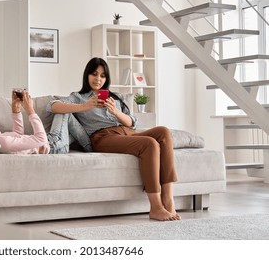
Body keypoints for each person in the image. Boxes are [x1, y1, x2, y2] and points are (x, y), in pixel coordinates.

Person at [48, 57, 180, 221]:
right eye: (94, 74)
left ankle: (168, 200)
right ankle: (156, 207)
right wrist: (86, 106)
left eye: (103, 76)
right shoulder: (78, 97)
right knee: (150, 144)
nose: (98, 79)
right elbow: (52, 106)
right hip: (103, 137)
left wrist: (115, 112)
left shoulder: (115, 98)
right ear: (87, 75)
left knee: (163, 132)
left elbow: (132, 122)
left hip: (126, 132)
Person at [0, 90, 92, 154]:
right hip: (53, 145)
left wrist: (15, 109)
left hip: (51, 142)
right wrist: (30, 110)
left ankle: (90, 142)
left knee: (70, 120)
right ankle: (92, 147)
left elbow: (18, 134)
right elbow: (40, 139)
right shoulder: (1, 143)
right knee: (62, 112)